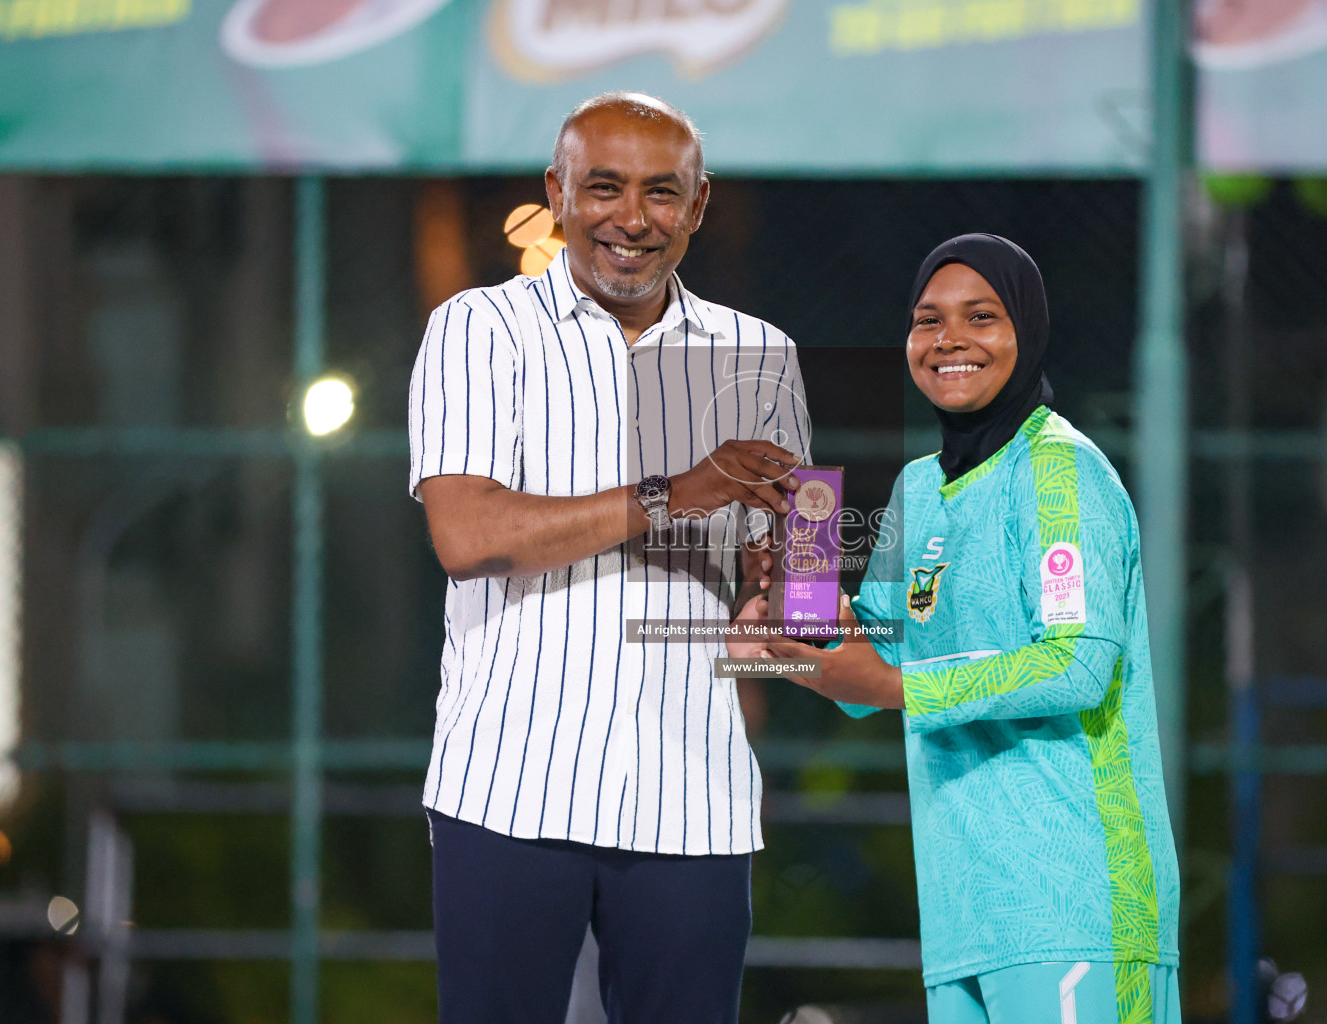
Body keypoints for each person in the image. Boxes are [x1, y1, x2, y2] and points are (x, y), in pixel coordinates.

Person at [408, 92, 808, 1024]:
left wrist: (787, 595)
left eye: (663, 193)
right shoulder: (479, 329)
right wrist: (675, 493)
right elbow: (467, 537)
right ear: (556, 194)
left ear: (698, 206)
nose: (633, 219)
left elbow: (799, 589)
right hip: (510, 787)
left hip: (695, 798)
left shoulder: (763, 353)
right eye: (604, 188)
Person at [735, 234, 1181, 1023]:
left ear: (1029, 330)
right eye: (927, 319)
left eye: (982, 316)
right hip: (963, 913)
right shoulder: (918, 487)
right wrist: (799, 626)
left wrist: (896, 683)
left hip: (1076, 902)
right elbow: (869, 682)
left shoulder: (1061, 471)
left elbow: (1076, 664)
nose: (949, 340)